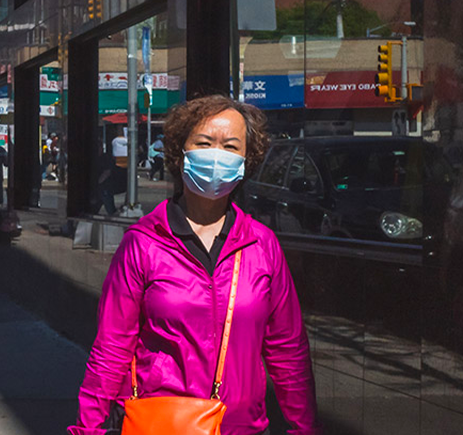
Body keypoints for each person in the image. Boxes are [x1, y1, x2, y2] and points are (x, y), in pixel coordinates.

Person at [69, 95, 319, 435]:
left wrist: (303, 427)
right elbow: (111, 346)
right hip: (161, 424)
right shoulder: (143, 243)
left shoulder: (262, 246)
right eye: (204, 143)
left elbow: (288, 351)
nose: (217, 155)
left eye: (231, 146)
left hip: (242, 427)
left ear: (248, 159)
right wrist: (89, 428)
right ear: (180, 151)